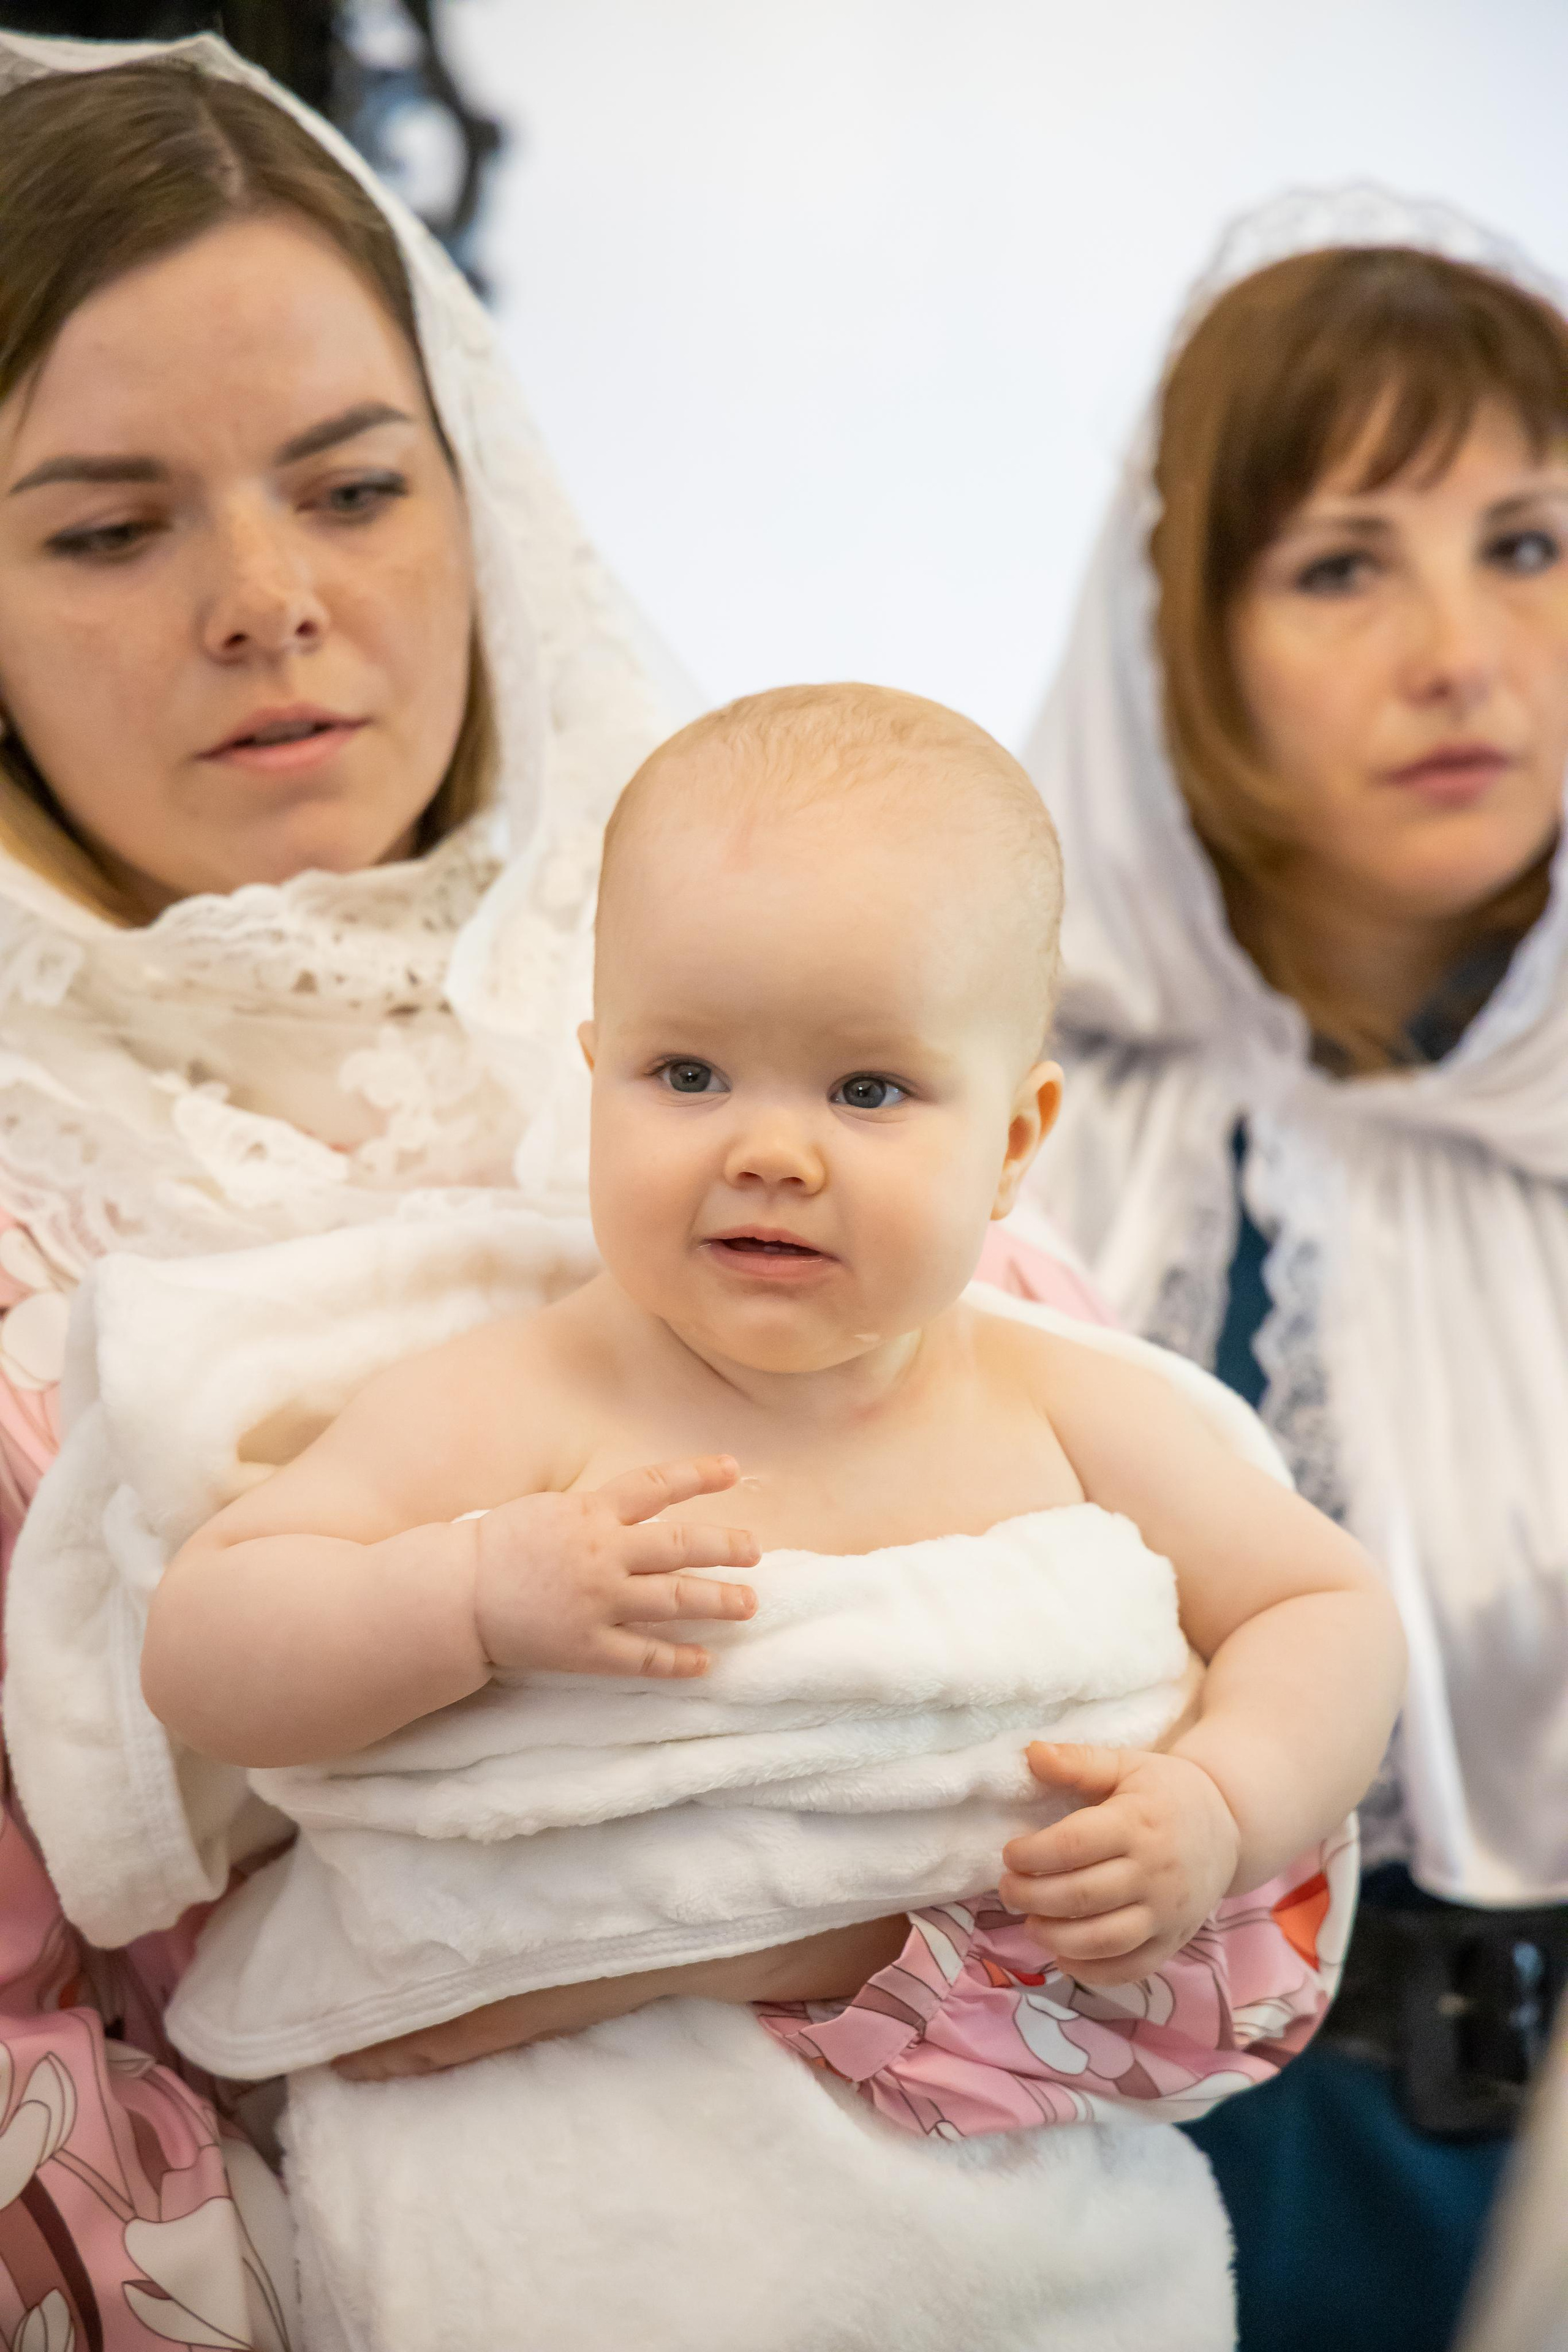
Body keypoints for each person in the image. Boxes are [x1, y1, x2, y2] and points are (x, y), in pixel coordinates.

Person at [71, 683, 1400, 2350]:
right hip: (579, 2214)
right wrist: (469, 1598)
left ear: (1015, 1140)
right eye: (689, 1073)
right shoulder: (514, 1401)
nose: (771, 1150)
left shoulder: (1064, 1403)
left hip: (1007, 2239)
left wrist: (1217, 1802)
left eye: (868, 1091)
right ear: (595, 1077)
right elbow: (205, 1645)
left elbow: (1327, 1615)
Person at [0, 26, 698, 2348]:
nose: (266, 598)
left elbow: (1181, 1843)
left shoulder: (753, 1019)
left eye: (356, 488)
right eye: (111, 529)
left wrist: (816, 1953)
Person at [1020, 187, 1568, 2352]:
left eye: (1527, 542)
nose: (1465, 650)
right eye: (1347, 562)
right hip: (1072, 2184)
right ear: (1186, 637)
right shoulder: (1015, 1116)